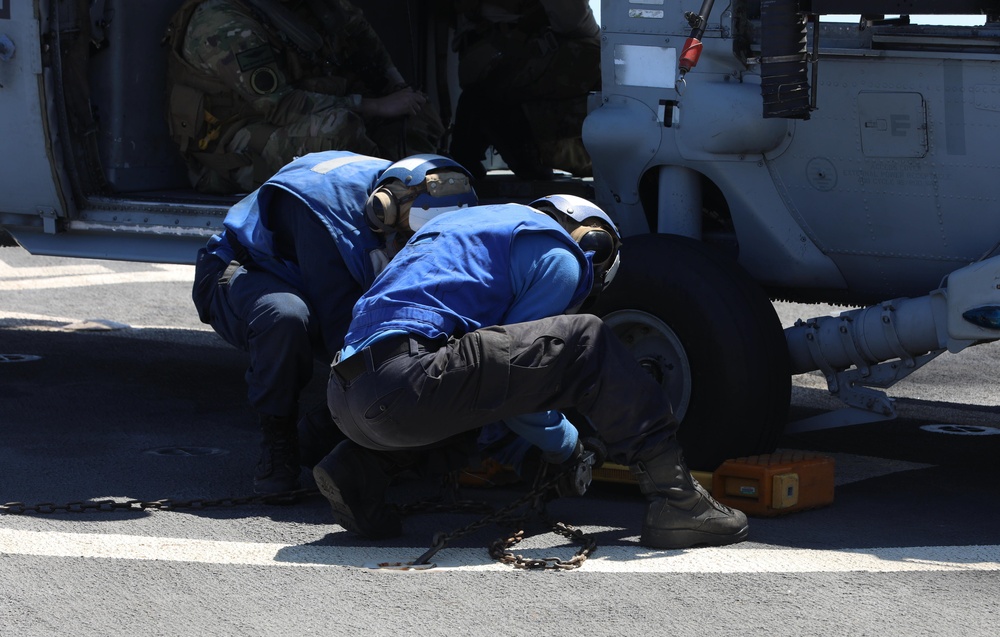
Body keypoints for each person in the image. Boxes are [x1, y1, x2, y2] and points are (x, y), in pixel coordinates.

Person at [317, 194, 749, 550]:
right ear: (595, 244)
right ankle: (678, 501)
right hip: (408, 385)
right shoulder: (561, 254)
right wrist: (569, 448)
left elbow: (489, 373)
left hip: (349, 399)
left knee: (462, 374)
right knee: (587, 339)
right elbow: (523, 391)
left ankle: (359, 471)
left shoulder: (463, 229)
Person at [192, 150, 477, 496]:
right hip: (244, 270)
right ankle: (279, 440)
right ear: (381, 212)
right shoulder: (326, 212)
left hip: (302, 266)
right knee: (286, 318)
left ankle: (325, 432)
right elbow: (343, 336)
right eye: (409, 239)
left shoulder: (405, 195)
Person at [164, 0, 444, 194]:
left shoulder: (303, 7)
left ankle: (417, 193)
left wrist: (397, 87)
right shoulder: (225, 24)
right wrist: (376, 106)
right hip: (235, 143)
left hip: (299, 114)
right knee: (338, 129)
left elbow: (358, 33)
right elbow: (281, 105)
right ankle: (385, 203)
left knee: (415, 116)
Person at [443, 0, 601, 180]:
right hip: (500, 54)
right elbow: (573, 21)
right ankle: (522, 136)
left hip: (487, 55)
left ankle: (511, 135)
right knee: (602, 62)